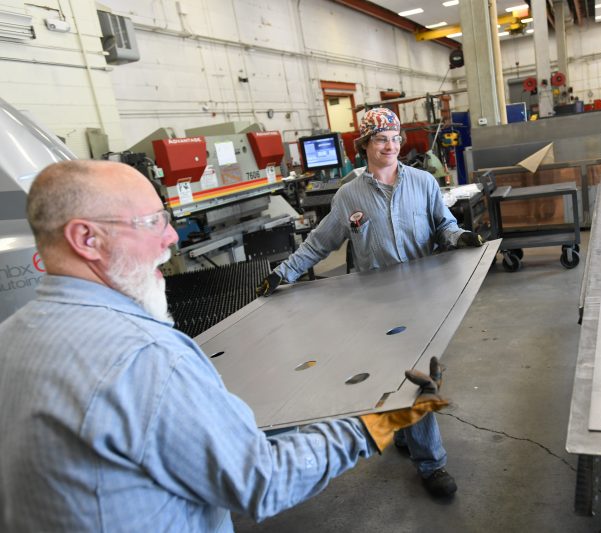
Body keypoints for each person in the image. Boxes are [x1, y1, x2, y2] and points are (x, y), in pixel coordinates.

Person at [0, 160, 447, 531]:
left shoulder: (12, 337)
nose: (171, 238)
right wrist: (377, 422)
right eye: (152, 222)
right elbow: (261, 481)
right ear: (86, 239)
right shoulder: (149, 358)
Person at [257, 107, 484, 498]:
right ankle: (418, 448)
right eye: (382, 140)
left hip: (423, 296)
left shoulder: (423, 182)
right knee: (396, 374)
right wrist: (284, 273)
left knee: (414, 377)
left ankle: (422, 452)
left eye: (395, 139)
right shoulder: (350, 195)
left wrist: (460, 237)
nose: (391, 146)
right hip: (376, 303)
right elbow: (320, 242)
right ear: (364, 145)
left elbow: (444, 226)